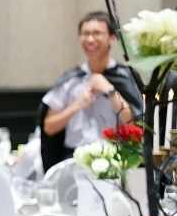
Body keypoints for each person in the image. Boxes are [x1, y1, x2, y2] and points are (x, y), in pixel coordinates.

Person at [40, 11, 142, 170]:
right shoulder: (71, 79)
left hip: (115, 157)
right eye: (85, 34)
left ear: (112, 38)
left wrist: (110, 90)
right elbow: (49, 127)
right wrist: (77, 105)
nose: (90, 39)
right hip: (73, 157)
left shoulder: (125, 76)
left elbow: (134, 122)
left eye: (97, 33)